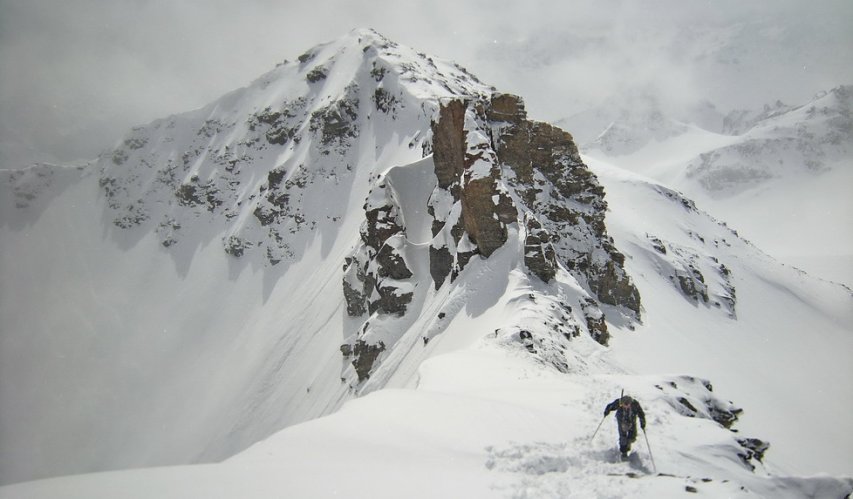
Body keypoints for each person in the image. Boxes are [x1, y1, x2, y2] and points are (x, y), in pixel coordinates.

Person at [604, 395, 646, 459]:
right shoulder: (619, 402)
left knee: (632, 436)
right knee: (623, 436)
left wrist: (642, 423)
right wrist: (607, 411)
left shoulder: (635, 404)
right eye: (624, 405)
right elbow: (610, 406)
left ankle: (628, 443)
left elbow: (641, 414)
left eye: (627, 405)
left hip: (632, 420)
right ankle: (624, 453)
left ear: (630, 403)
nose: (626, 406)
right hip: (621, 420)